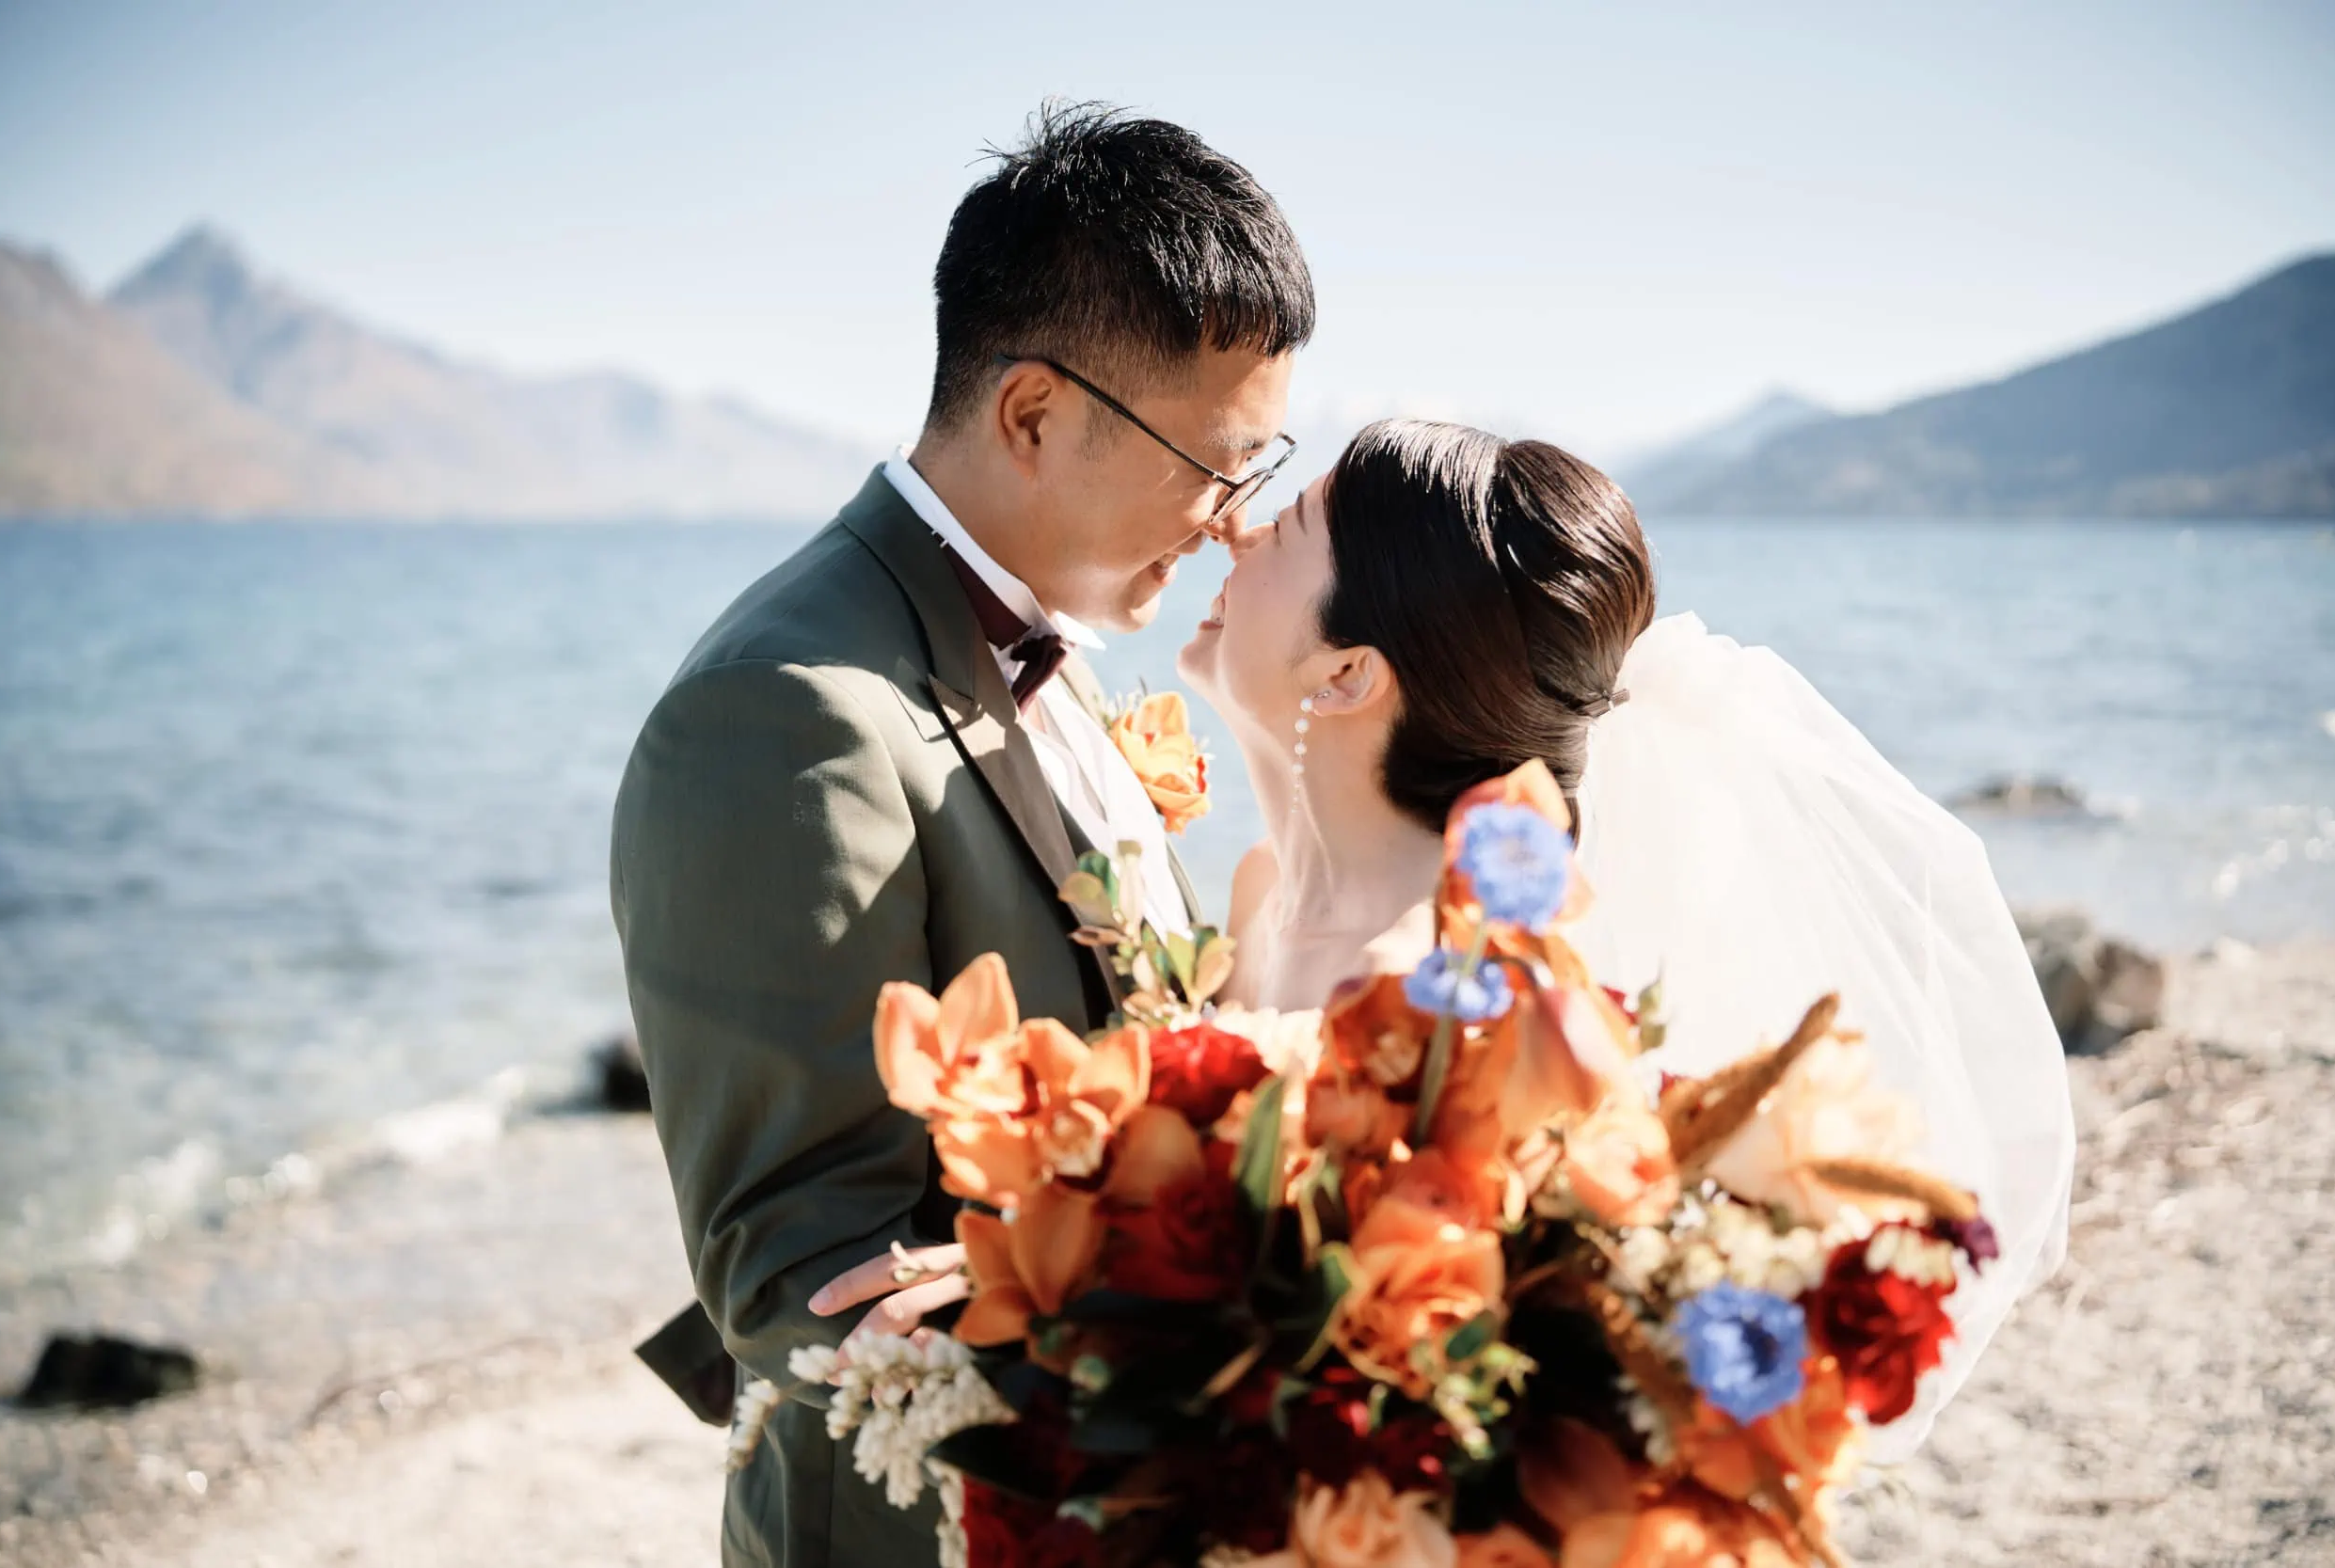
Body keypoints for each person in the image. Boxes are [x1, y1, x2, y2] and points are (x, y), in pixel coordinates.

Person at [611, 103, 1313, 1568]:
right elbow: (793, 1264)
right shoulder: (787, 709)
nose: (1237, 520)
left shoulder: (1049, 633)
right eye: (1216, 461)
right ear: (1035, 414)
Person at [1180, 417, 2074, 1457]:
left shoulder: (1455, 1003)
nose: (1230, 529)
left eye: (1280, 527)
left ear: (1345, 676)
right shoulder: (1259, 893)